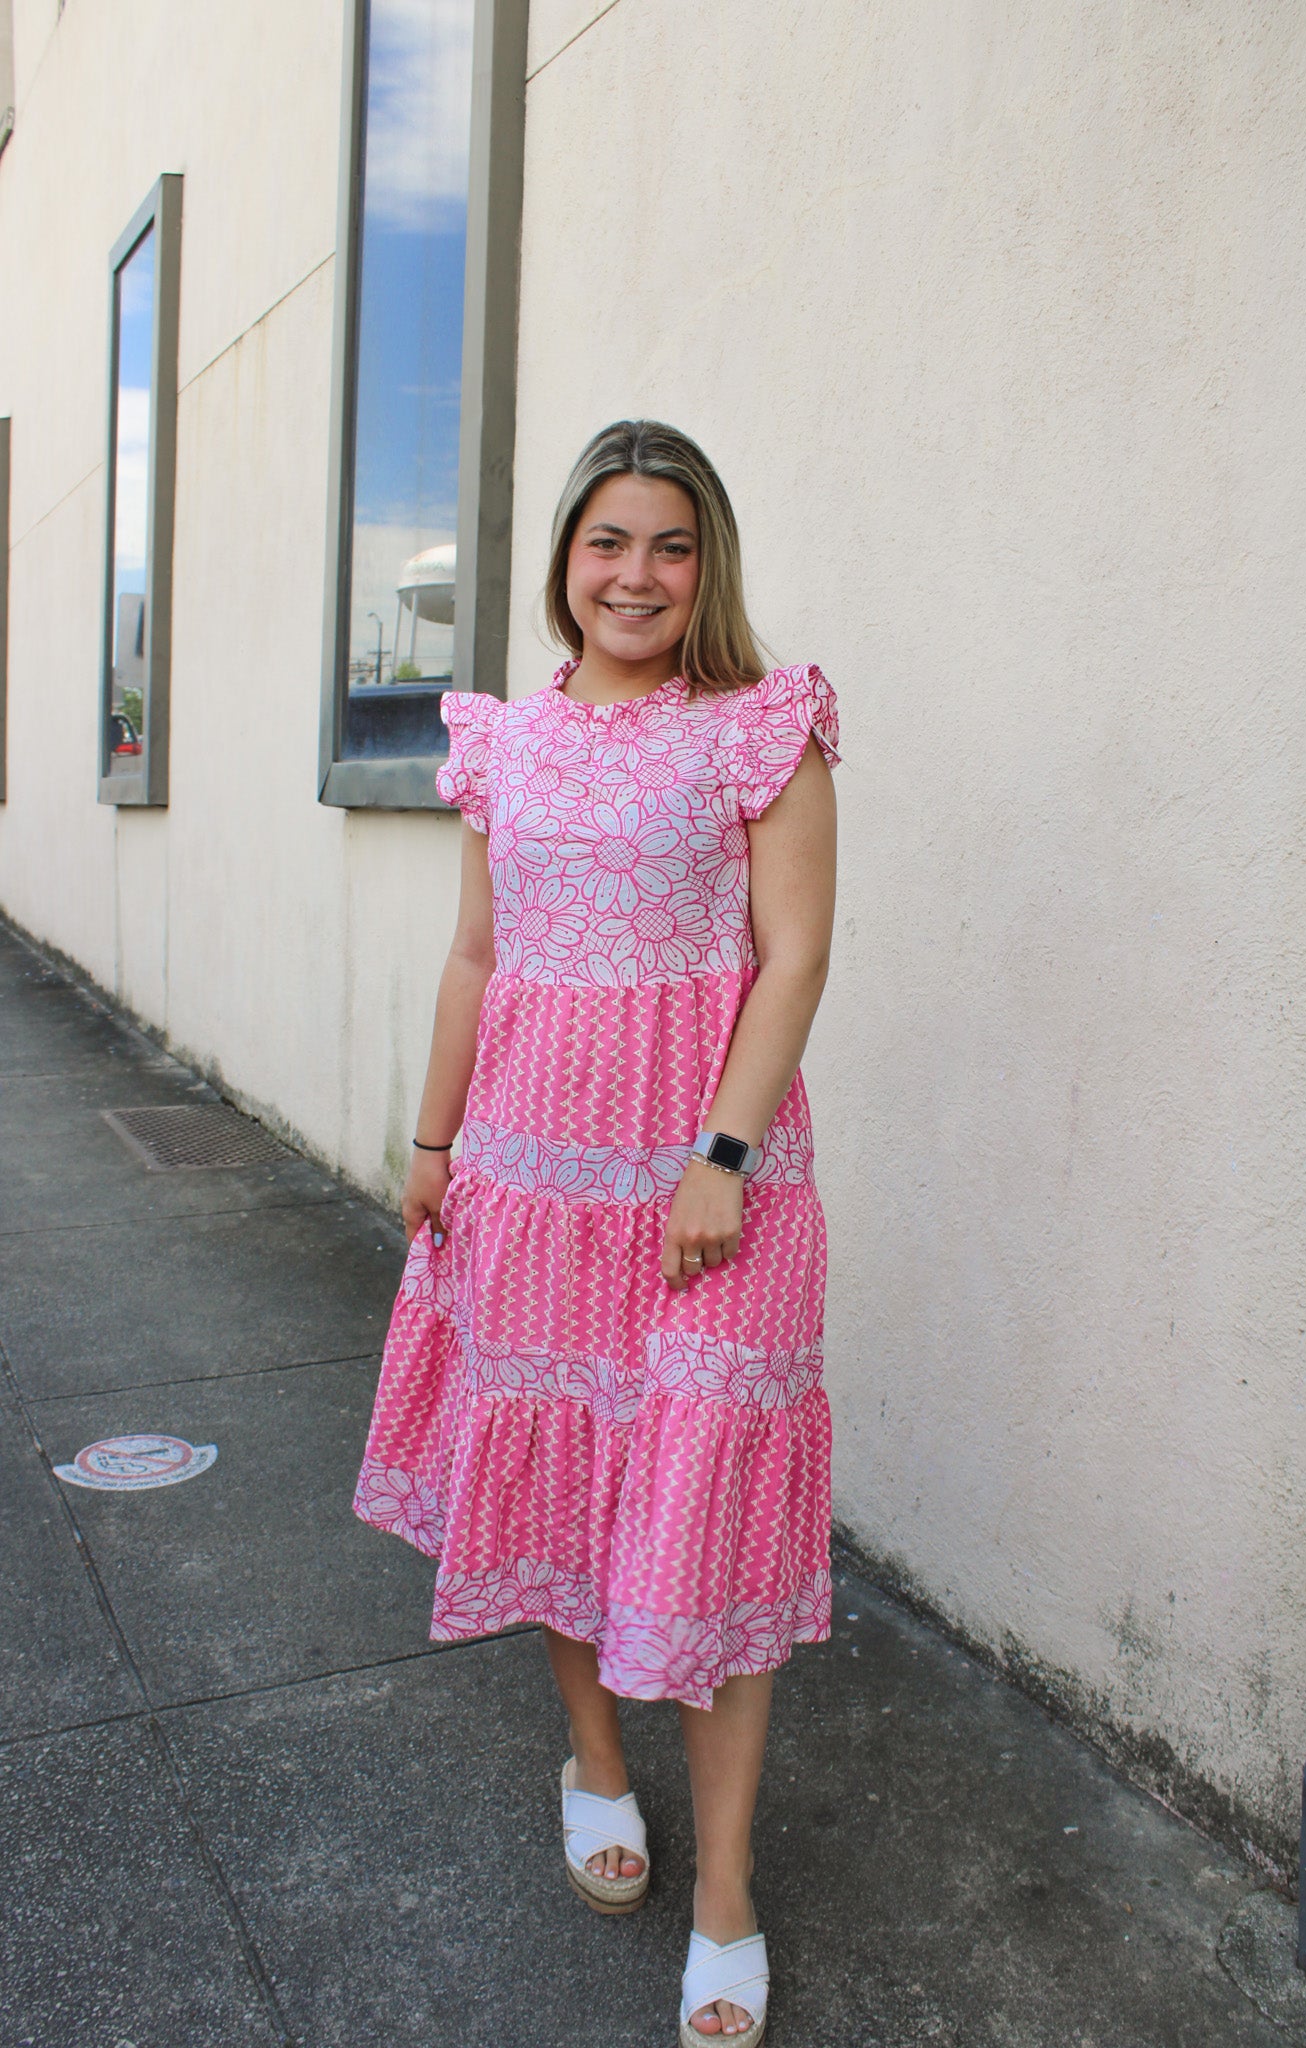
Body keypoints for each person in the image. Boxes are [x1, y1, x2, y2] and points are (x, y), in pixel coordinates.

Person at [353, 418, 841, 2045]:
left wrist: (724, 1152)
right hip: (532, 1166)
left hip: (713, 1184)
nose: (636, 575)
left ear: (708, 567)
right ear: (565, 558)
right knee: (561, 1461)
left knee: (707, 1500)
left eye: (671, 545)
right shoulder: (504, 740)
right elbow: (479, 955)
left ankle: (724, 1892)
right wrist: (432, 1141)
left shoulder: (759, 729)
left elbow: (791, 960)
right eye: (607, 541)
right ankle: (595, 1763)